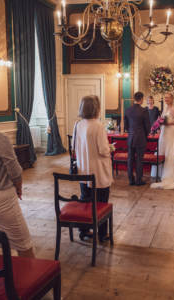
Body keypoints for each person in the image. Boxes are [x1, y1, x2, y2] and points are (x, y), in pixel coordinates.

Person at [0, 107, 34, 258]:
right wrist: (19, 188)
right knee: (24, 244)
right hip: (0, 198)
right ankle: (31, 280)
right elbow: (15, 171)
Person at [72, 95, 113, 243]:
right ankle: (102, 234)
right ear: (95, 108)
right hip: (98, 169)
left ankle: (83, 231)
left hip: (83, 168)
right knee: (101, 201)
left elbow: (73, 147)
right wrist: (110, 148)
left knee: (85, 199)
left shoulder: (78, 125)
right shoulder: (98, 126)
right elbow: (103, 150)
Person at [124, 92, 151, 186]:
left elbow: (126, 126)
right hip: (140, 137)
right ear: (141, 99)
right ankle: (138, 180)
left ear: (134, 99)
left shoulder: (127, 110)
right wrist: (145, 135)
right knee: (139, 159)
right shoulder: (144, 111)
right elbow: (148, 126)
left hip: (131, 138)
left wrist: (131, 132)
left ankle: (131, 180)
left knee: (130, 159)